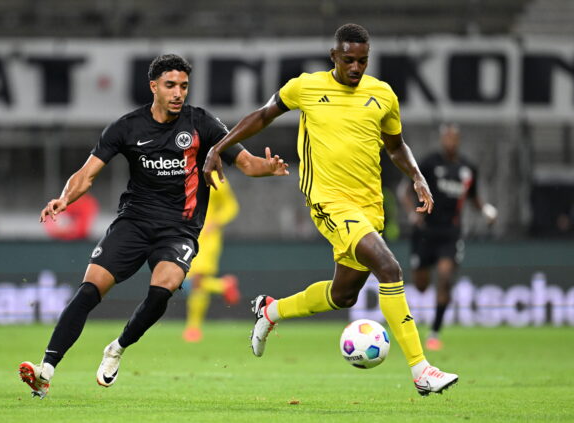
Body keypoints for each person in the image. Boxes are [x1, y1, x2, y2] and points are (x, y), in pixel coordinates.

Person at [203, 23, 458, 396]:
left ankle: (270, 311)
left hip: (369, 206)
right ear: (334, 57)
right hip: (328, 201)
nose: (357, 68)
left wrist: (417, 176)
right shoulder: (305, 86)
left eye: (363, 61)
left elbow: (396, 145)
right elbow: (261, 115)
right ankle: (421, 370)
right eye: (350, 60)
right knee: (389, 268)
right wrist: (217, 147)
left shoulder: (382, 95)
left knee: (344, 296)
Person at [18, 54, 289, 399]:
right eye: (170, 85)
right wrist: (63, 199)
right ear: (153, 87)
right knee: (90, 290)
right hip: (133, 222)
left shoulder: (202, 124)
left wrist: (268, 167)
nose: (178, 93)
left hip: (179, 229)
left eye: (184, 86)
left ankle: (117, 348)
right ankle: (46, 370)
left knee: (163, 289)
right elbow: (87, 174)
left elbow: (247, 163)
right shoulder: (126, 127)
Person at [399, 123, 497, 351]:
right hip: (425, 231)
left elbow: (473, 197)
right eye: (447, 137)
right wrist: (411, 214)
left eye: (454, 138)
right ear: (442, 139)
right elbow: (404, 190)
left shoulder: (467, 169)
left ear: (458, 140)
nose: (451, 141)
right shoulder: (429, 163)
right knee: (421, 285)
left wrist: (485, 211)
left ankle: (434, 332)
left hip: (450, 233)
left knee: (444, 276)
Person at [182, 174, 240, 342]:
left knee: (196, 280)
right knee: (189, 281)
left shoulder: (214, 175)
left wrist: (215, 223)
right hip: (186, 234)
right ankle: (222, 286)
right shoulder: (182, 171)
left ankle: (193, 328)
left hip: (207, 238)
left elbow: (231, 206)